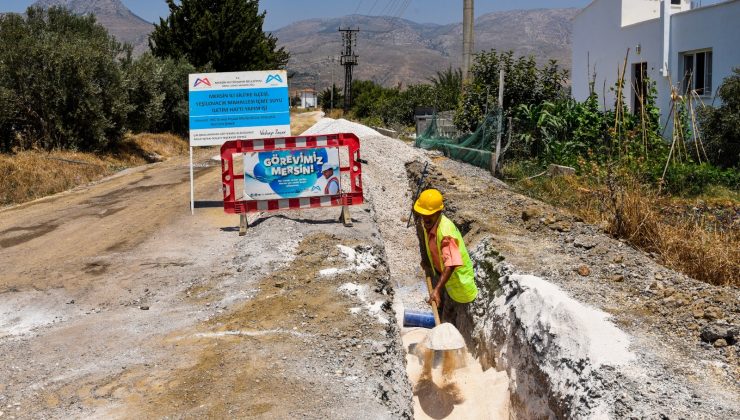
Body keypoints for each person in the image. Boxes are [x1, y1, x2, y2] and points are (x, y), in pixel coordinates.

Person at [414, 188, 478, 323]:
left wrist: (436, 289)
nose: (425, 217)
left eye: (428, 214)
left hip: (459, 284)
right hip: (444, 278)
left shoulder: (445, 232)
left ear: (438, 212)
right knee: (443, 311)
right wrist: (426, 261)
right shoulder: (428, 223)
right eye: (422, 214)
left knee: (452, 320)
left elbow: (452, 263)